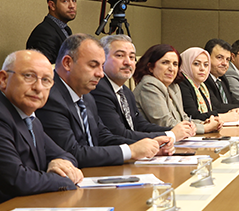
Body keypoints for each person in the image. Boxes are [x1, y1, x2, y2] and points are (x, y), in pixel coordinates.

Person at [36, 34, 170, 168]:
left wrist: (148, 146)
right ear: (67, 63)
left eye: (102, 66)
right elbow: (72, 153)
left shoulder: (87, 96)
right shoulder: (49, 97)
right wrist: (131, 151)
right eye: (93, 65)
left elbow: (103, 137)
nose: (100, 74)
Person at [0, 50, 82, 205]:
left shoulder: (30, 118)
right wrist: (64, 179)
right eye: (28, 76)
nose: (38, 87)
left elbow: (66, 155)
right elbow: (18, 180)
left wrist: (57, 162)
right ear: (3, 79)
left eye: (46, 80)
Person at [91, 35, 193, 142]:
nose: (128, 62)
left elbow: (140, 125)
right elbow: (119, 134)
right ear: (102, 59)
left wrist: (176, 131)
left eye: (132, 57)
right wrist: (171, 134)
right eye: (120, 55)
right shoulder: (99, 89)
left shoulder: (125, 91)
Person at [133, 44, 220, 135]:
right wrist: (205, 128)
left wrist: (203, 123)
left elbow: (183, 118)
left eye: (175, 64)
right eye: (165, 63)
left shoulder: (173, 86)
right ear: (151, 67)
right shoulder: (149, 86)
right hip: (155, 140)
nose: (171, 69)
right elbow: (165, 123)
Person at [178, 47, 239, 123]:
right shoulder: (182, 83)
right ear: (186, 64)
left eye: (206, 65)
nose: (202, 68)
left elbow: (213, 108)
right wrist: (224, 117)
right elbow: (194, 116)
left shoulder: (202, 86)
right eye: (196, 64)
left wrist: (231, 111)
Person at [203, 39, 239, 117]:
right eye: (219, 57)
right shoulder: (204, 80)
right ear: (207, 58)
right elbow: (216, 106)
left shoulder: (222, 79)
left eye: (227, 59)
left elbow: (231, 100)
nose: (225, 63)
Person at [26, 0, 77, 64]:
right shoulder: (43, 33)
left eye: (74, 0)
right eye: (65, 1)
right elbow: (43, 68)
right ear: (52, 5)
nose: (72, 6)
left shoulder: (64, 29)